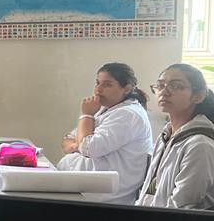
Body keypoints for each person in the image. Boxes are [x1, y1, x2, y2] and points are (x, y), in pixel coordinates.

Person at [56, 62, 154, 204]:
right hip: (83, 188)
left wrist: (86, 115)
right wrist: (79, 145)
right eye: (97, 83)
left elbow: (89, 148)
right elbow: (67, 140)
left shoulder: (128, 114)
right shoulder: (105, 109)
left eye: (107, 85)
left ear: (126, 89)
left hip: (103, 197)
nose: (98, 90)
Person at [137, 63, 214, 210]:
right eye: (160, 86)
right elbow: (150, 190)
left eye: (176, 86)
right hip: (149, 217)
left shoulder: (200, 144)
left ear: (198, 96)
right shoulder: (166, 135)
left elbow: (182, 205)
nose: (164, 92)